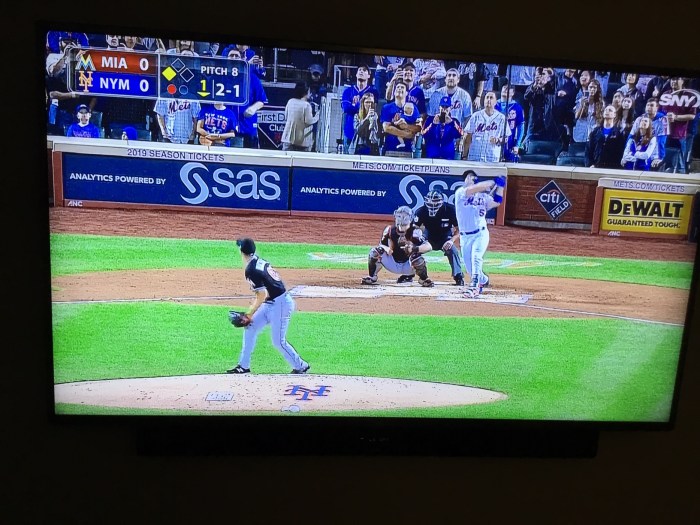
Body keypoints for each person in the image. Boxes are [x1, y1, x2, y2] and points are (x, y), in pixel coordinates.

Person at [226, 238, 310, 375]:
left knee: (278, 341)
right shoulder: (257, 261)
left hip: (280, 305)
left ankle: (301, 365)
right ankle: (243, 366)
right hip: (270, 303)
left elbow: (262, 294)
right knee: (250, 327)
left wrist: (249, 314)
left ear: (241, 252)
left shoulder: (251, 270)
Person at [454, 170, 506, 298]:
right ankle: (483, 279)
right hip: (465, 237)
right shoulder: (461, 193)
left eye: (473, 177)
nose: (471, 179)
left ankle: (475, 287)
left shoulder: (483, 197)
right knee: (469, 268)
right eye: (469, 177)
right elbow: (475, 188)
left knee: (476, 257)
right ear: (465, 180)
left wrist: (500, 186)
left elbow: (497, 201)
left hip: (480, 234)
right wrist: (493, 182)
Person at [361, 206, 435, 287]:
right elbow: (381, 245)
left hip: (409, 265)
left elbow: (429, 247)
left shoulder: (415, 232)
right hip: (392, 263)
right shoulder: (389, 230)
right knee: (375, 252)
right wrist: (387, 249)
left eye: (404, 216)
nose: (402, 218)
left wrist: (414, 248)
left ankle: (423, 279)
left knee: (416, 257)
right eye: (400, 216)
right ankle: (372, 276)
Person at [410, 190, 464, 286]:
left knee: (453, 251)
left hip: (445, 238)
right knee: (412, 250)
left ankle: (458, 276)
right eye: (430, 201)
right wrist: (418, 235)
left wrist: (451, 241)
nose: (432, 204)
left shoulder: (450, 210)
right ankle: (412, 274)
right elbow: (414, 228)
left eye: (435, 202)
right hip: (427, 238)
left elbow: (459, 229)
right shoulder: (421, 211)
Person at [225, 47, 268, 149]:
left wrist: (253, 108)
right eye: (231, 56)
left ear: (242, 60)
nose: (234, 58)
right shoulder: (221, 78)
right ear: (226, 60)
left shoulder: (252, 77)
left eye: (236, 56)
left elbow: (262, 100)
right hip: (227, 129)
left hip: (248, 126)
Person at [660, 76, 697, 173]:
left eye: (677, 79)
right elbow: (660, 112)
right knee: (664, 161)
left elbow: (692, 115)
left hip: (680, 134)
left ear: (682, 80)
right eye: (672, 79)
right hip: (664, 133)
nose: (674, 81)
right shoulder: (665, 94)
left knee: (680, 163)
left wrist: (676, 117)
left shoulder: (689, 95)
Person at [461, 91, 511, 162]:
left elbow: (506, 138)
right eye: (487, 98)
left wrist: (498, 140)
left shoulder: (501, 118)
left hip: (492, 158)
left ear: (496, 102)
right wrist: (464, 155)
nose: (488, 100)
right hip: (474, 157)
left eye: (491, 98)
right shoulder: (475, 116)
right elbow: (467, 137)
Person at [341, 65, 379, 153]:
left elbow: (372, 110)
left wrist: (354, 105)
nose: (361, 71)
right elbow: (346, 108)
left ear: (369, 75)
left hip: (366, 135)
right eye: (360, 70)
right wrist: (361, 105)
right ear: (356, 74)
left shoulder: (373, 92)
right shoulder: (347, 91)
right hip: (350, 131)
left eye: (364, 70)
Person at [381, 82, 419, 157]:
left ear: (407, 93)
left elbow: (418, 128)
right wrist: (407, 134)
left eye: (402, 87)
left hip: (407, 151)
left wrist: (406, 126)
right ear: (394, 92)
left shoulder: (413, 108)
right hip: (390, 150)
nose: (399, 89)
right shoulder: (387, 108)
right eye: (397, 87)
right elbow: (386, 128)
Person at [522, 66, 559, 144]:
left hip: (548, 125)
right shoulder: (532, 87)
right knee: (529, 144)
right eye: (540, 74)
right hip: (534, 124)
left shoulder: (551, 88)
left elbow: (556, 80)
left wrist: (549, 73)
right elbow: (526, 97)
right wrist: (536, 84)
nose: (541, 76)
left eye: (543, 74)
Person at [630, 97, 668, 170]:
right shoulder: (639, 119)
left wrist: (660, 157)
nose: (649, 107)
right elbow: (631, 137)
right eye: (647, 105)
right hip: (638, 150)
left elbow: (661, 141)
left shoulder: (663, 119)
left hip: (653, 152)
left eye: (652, 105)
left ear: (657, 108)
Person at [421, 96, 463, 160]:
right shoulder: (430, 119)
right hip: (432, 153)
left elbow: (459, 134)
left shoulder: (454, 121)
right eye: (442, 107)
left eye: (446, 107)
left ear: (450, 108)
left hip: (448, 154)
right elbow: (424, 134)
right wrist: (433, 125)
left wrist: (451, 123)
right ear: (439, 107)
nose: (444, 109)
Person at [281, 81, 319, 152]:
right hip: (301, 141)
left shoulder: (290, 102)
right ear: (306, 92)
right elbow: (309, 121)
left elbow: (286, 117)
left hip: (287, 138)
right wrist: (317, 116)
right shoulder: (306, 105)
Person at [495, 82, 525, 161]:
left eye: (508, 88)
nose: (506, 89)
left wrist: (517, 145)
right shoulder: (494, 105)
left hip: (509, 143)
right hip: (494, 140)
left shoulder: (517, 107)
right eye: (504, 87)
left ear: (513, 93)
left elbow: (520, 127)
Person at [572, 78, 604, 144]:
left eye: (594, 88)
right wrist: (582, 105)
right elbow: (576, 117)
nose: (592, 89)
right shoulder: (581, 100)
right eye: (590, 87)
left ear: (597, 89)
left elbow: (600, 120)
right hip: (581, 129)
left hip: (593, 129)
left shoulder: (601, 103)